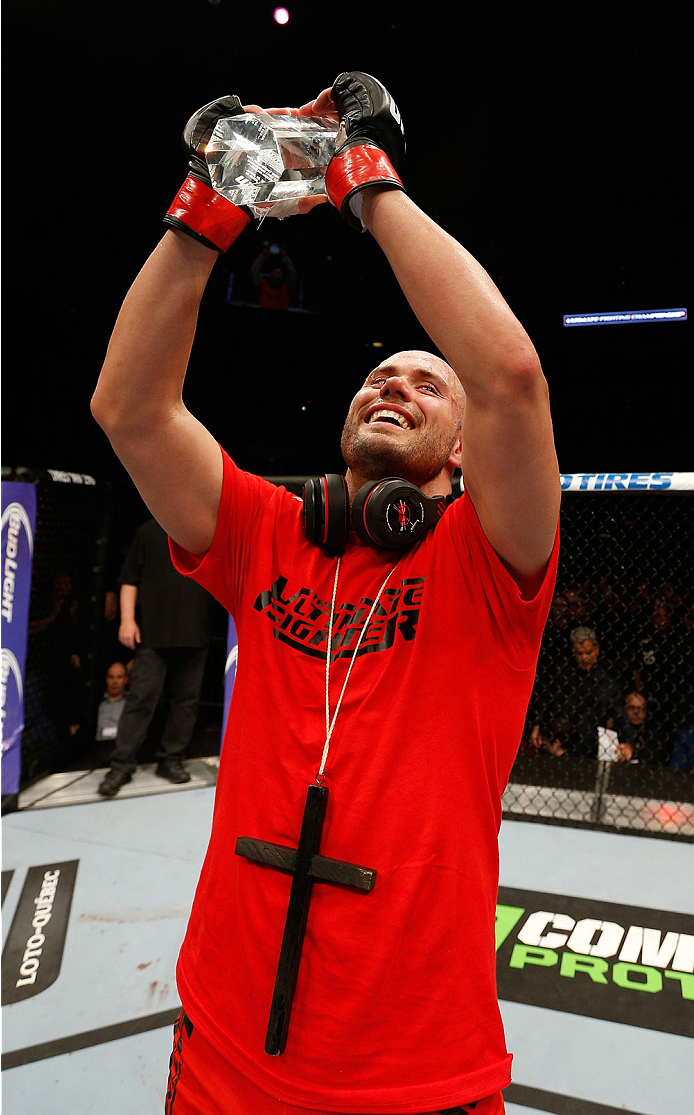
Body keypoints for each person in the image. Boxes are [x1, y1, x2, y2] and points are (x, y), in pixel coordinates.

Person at [92, 73, 560, 1115]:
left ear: (462, 459)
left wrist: (364, 180)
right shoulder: (268, 533)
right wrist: (210, 200)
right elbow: (128, 406)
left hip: (419, 1073)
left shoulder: (493, 562)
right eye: (377, 377)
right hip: (223, 1046)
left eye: (424, 384)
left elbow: (511, 376)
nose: (393, 384)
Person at [97, 519, 213, 797]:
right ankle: (122, 763)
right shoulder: (148, 531)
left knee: (187, 702)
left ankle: (171, 759)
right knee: (141, 698)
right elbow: (129, 578)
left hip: (195, 631)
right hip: (153, 632)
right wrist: (126, 620)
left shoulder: (205, 531)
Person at [533, 625, 634, 761]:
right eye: (579, 653)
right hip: (556, 739)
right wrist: (537, 725)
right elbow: (546, 700)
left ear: (597, 649)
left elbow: (620, 716)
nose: (584, 658)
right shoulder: (562, 673)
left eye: (588, 652)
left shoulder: (605, 683)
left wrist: (628, 743)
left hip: (586, 745)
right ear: (573, 652)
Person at [251, 242, 299, 309]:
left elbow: (293, 273)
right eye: (276, 270)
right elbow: (254, 269)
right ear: (271, 274)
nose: (278, 271)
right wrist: (264, 254)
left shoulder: (287, 288)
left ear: (283, 276)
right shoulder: (262, 285)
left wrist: (285, 256)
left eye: (280, 271)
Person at [95, 660, 128, 744]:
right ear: (106, 679)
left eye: (119, 677)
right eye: (111, 677)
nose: (115, 682)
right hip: (97, 750)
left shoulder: (131, 703)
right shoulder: (97, 703)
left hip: (122, 749)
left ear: (125, 680)